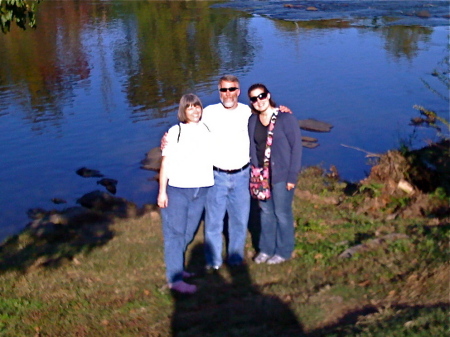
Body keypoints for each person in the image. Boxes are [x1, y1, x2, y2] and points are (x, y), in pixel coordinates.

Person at [157, 93, 213, 293]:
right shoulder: (175, 132)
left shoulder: (208, 127)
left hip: (202, 188)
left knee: (189, 232)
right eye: (190, 107)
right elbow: (166, 163)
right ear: (183, 111)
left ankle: (178, 268)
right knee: (175, 234)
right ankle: (175, 280)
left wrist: (279, 110)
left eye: (197, 106)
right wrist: (162, 192)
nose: (195, 110)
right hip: (178, 190)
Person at [247, 83, 302, 264]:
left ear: (268, 95)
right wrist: (255, 170)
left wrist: (292, 176)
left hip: (281, 175)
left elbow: (296, 149)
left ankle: (284, 251)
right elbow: (253, 147)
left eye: (261, 96)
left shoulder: (285, 119)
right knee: (265, 212)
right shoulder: (252, 121)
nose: (259, 101)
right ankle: (266, 249)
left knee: (282, 213)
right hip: (261, 175)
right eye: (254, 99)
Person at [201, 75, 252, 269]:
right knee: (214, 222)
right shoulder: (209, 112)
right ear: (219, 91)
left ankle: (236, 258)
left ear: (238, 91)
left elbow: (269, 116)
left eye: (232, 89)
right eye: (224, 90)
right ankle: (213, 262)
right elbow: (190, 128)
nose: (228, 93)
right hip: (216, 176)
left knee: (239, 220)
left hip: (242, 175)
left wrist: (282, 111)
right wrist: (168, 138)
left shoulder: (248, 111)